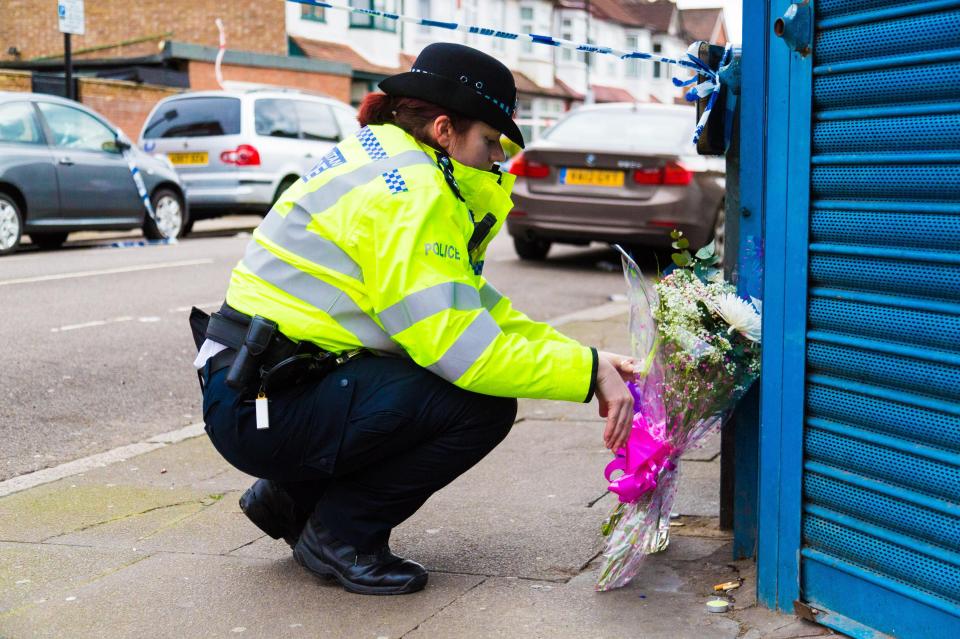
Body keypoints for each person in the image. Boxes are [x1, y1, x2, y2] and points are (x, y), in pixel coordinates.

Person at [194, 42, 637, 596]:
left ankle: (289, 499)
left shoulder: (390, 162)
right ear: (445, 129)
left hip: (256, 386)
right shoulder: (413, 194)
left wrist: (590, 360)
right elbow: (464, 350)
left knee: (428, 382)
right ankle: (339, 535)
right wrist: (584, 375)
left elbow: (475, 308)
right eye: (490, 142)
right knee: (478, 406)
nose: (498, 160)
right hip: (264, 403)